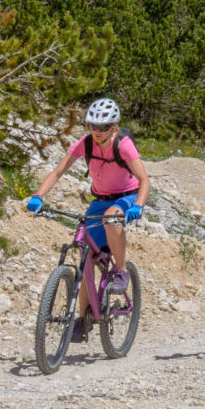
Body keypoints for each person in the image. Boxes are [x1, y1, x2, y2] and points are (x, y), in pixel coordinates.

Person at [27, 98, 148, 340]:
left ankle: (122, 271)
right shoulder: (86, 144)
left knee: (111, 218)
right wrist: (38, 196)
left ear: (114, 126)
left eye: (103, 127)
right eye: (93, 126)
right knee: (85, 258)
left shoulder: (123, 145)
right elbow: (59, 171)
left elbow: (145, 180)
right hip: (100, 198)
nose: (97, 131)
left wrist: (138, 206)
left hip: (126, 197)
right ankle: (83, 318)